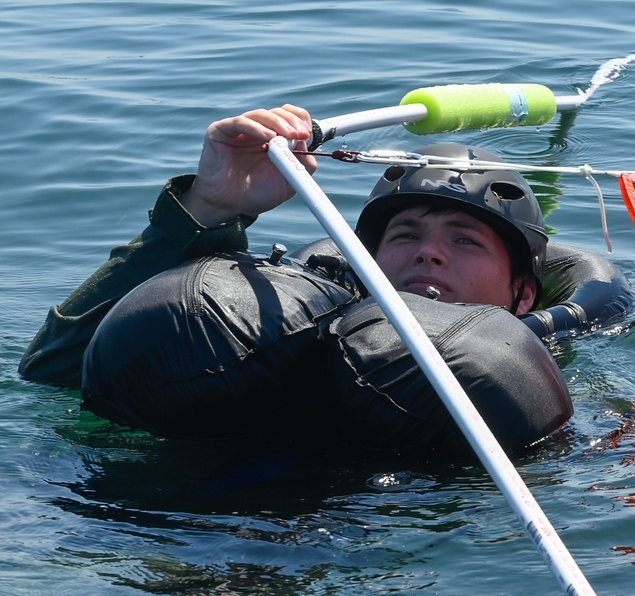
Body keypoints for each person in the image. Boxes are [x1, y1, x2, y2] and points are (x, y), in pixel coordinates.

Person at [19, 104, 583, 461]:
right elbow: (51, 373)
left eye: (465, 241)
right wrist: (210, 208)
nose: (428, 252)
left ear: (522, 295)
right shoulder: (276, 336)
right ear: (364, 264)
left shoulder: (559, 381)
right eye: (406, 234)